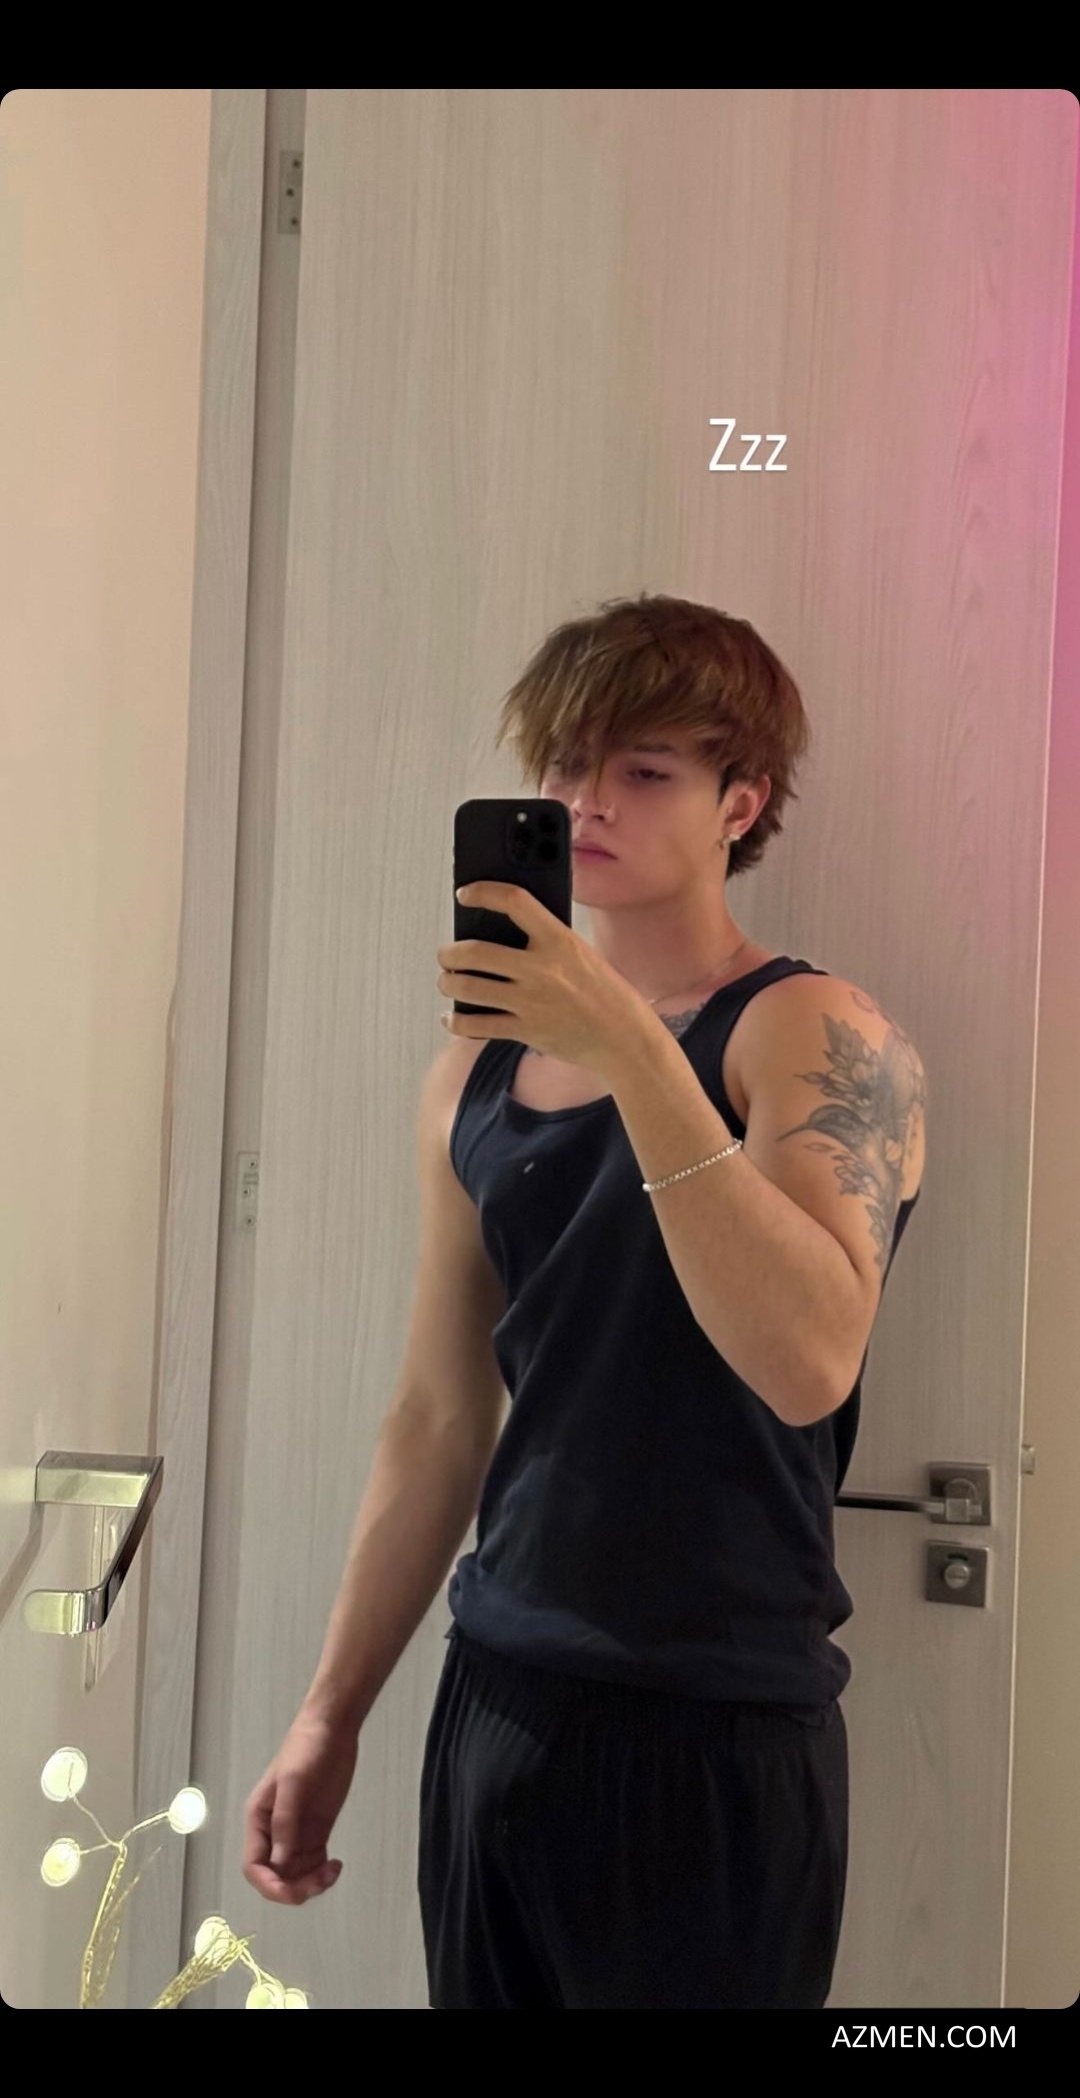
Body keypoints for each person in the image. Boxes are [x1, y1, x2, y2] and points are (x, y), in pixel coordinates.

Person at [243, 593, 926, 2007]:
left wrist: (631, 1047)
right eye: (564, 764)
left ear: (741, 802)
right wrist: (330, 1710)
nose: (588, 799)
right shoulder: (474, 1071)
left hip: (719, 1719)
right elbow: (439, 1418)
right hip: (499, 1689)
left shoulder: (816, 1031)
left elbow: (808, 1358)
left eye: (644, 768)